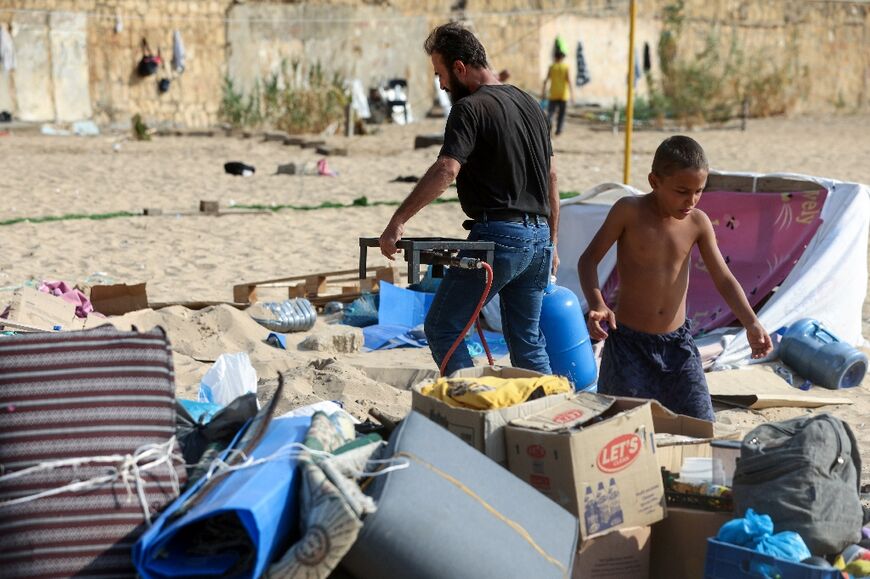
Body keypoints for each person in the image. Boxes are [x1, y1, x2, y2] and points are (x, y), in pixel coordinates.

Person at [379, 22, 559, 376]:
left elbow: (447, 169)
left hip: (502, 237)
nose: (443, 85)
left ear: (460, 67)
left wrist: (398, 220)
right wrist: (552, 242)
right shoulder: (530, 104)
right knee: (527, 340)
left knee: (443, 326)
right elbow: (552, 178)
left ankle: (471, 401)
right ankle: (547, 414)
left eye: (441, 75)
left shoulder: (469, 109)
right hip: (539, 239)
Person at [578, 136, 772, 420]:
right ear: (654, 181)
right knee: (620, 425)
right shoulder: (628, 212)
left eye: (699, 191)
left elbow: (724, 279)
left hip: (678, 346)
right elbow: (588, 260)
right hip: (629, 345)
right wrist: (597, 303)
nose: (691, 200)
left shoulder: (698, 223)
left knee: (700, 423)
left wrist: (751, 323)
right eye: (682, 191)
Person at [542, 50, 573, 136]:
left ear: (555, 57)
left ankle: (549, 128)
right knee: (561, 114)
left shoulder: (551, 67)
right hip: (563, 94)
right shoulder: (566, 67)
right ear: (562, 58)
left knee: (550, 113)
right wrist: (572, 95)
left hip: (553, 94)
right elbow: (569, 81)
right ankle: (559, 130)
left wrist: (543, 92)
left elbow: (546, 80)